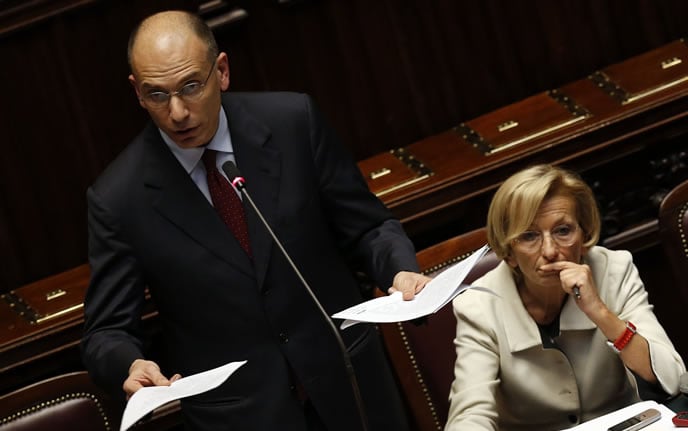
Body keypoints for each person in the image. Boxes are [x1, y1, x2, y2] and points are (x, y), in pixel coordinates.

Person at [80, 10, 430, 431]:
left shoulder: (292, 123)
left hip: (350, 385)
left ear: (222, 71)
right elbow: (105, 332)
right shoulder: (119, 198)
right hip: (241, 417)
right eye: (157, 95)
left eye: (191, 86)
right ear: (137, 92)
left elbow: (369, 227)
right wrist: (130, 363)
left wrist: (401, 269)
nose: (176, 113)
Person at [444, 164, 686, 430]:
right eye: (529, 236)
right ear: (508, 251)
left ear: (583, 235)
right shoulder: (478, 305)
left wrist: (599, 312)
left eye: (562, 231)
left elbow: (671, 378)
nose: (549, 251)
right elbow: (470, 415)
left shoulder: (614, 270)